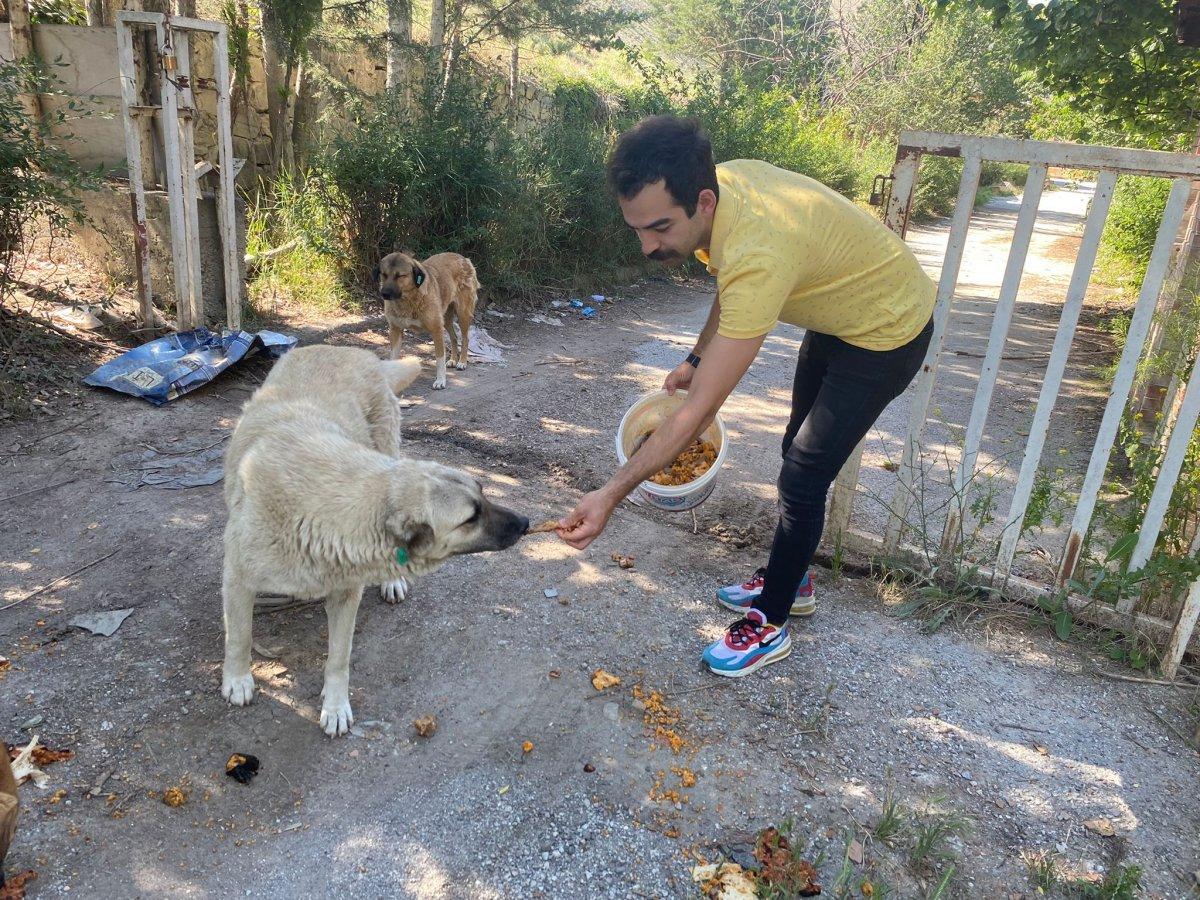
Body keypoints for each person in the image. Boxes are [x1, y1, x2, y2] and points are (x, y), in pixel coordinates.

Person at [555, 114, 936, 677]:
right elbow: (726, 281)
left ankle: (772, 620)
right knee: (794, 449)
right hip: (840, 317)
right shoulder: (722, 191)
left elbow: (700, 411)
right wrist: (695, 356)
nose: (646, 247)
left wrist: (610, 494)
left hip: (887, 329)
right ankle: (795, 574)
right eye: (637, 229)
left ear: (702, 202)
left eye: (659, 228)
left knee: (804, 472)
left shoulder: (760, 247)